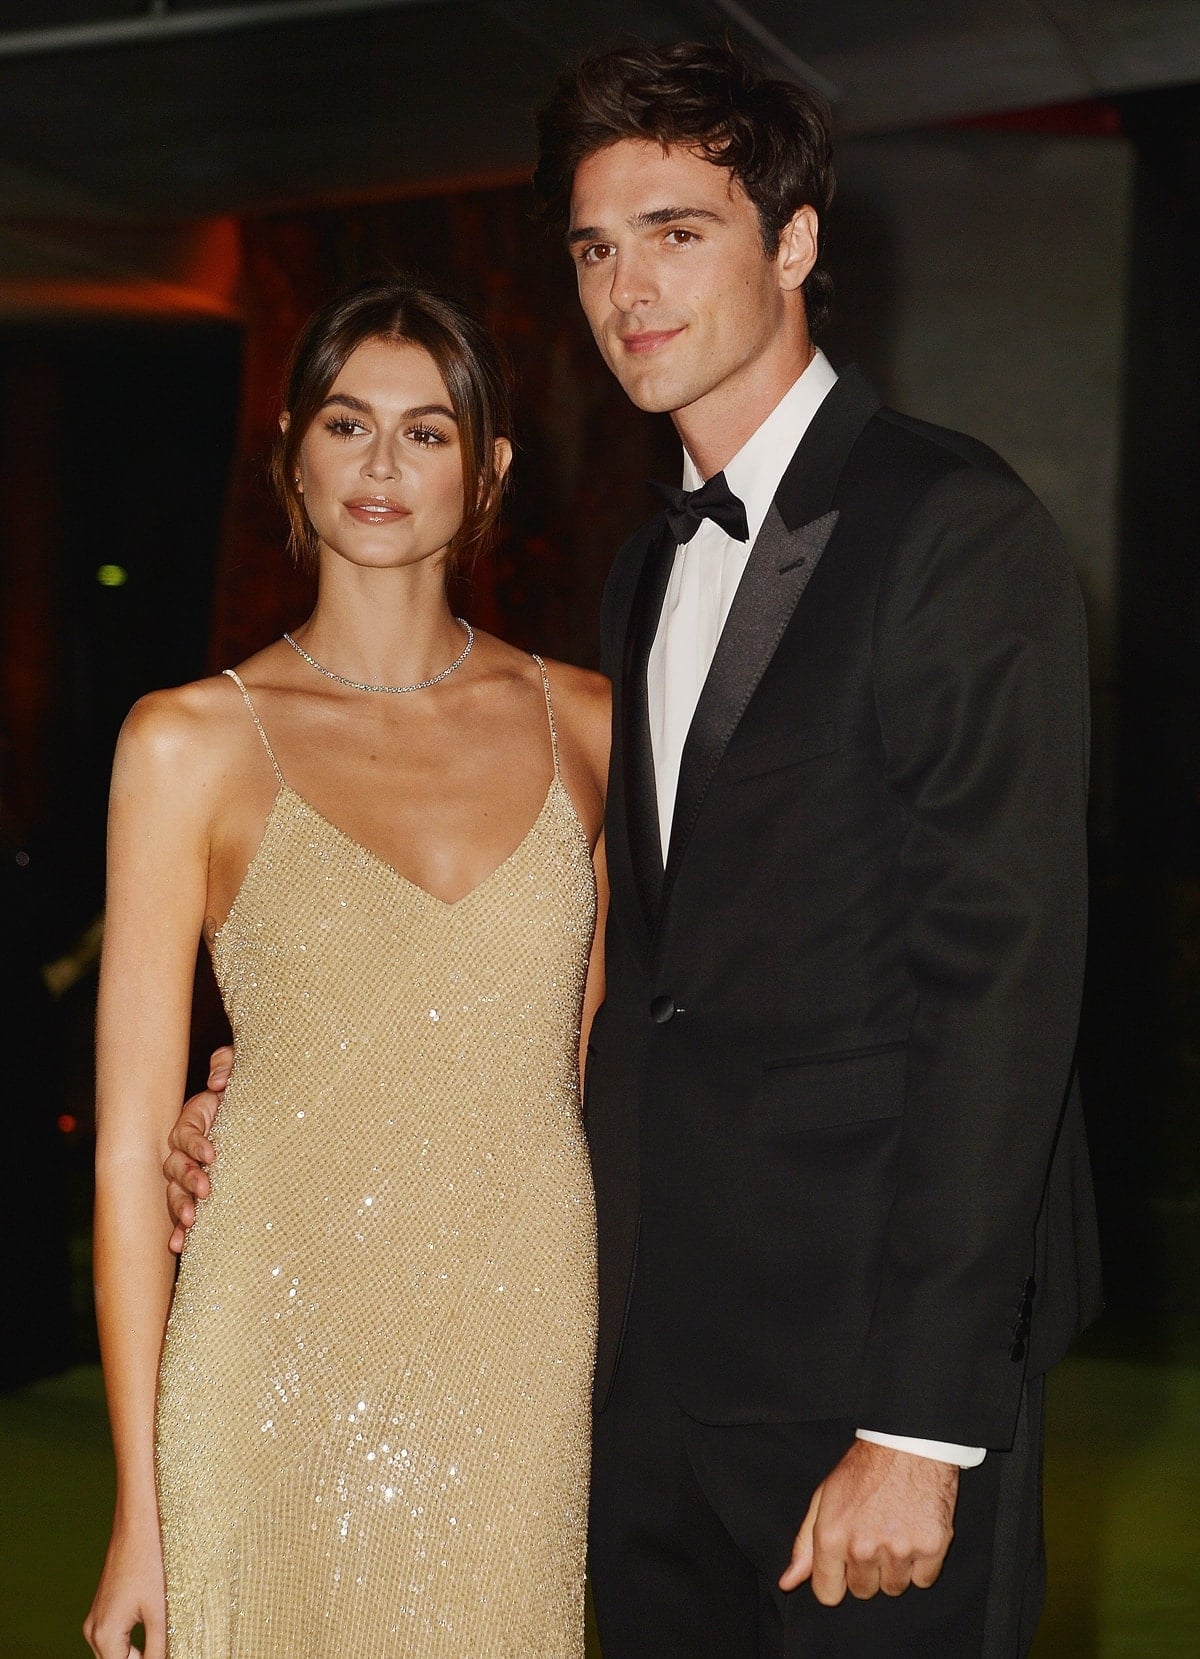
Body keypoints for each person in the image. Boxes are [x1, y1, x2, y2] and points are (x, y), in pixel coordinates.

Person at [167, 38, 1102, 1658]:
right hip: (643, 1375)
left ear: (794, 241)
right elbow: (623, 973)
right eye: (597, 249)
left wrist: (922, 1424)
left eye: (678, 232)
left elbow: (1004, 995)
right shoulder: (643, 571)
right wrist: (303, 1091)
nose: (628, 290)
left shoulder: (954, 528)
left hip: (863, 1382)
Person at [84, 278, 608, 1659]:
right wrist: (140, 1509)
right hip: (268, 1348)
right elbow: (127, 1155)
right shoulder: (185, 742)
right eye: (346, 423)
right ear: (291, 453)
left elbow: (605, 1072)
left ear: (489, 468)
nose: (381, 464)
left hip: (518, 1352)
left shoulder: (592, 727)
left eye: (427, 432)